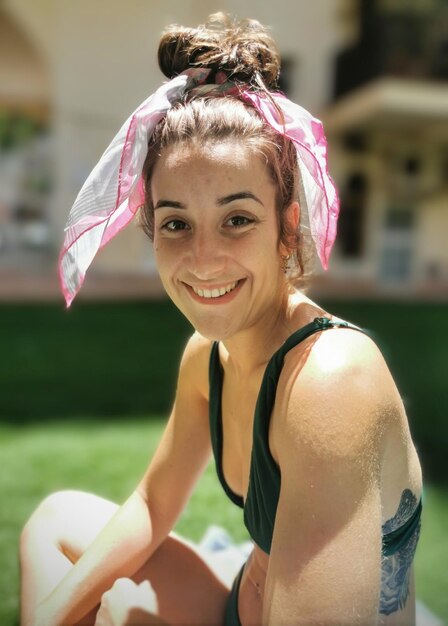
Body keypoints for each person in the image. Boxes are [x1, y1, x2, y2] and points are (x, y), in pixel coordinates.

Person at [20, 13, 423, 626]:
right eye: (177, 223)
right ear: (152, 230)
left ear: (287, 229)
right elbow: (155, 502)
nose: (203, 259)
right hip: (239, 601)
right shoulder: (207, 357)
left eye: (237, 219)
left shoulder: (330, 381)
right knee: (55, 524)